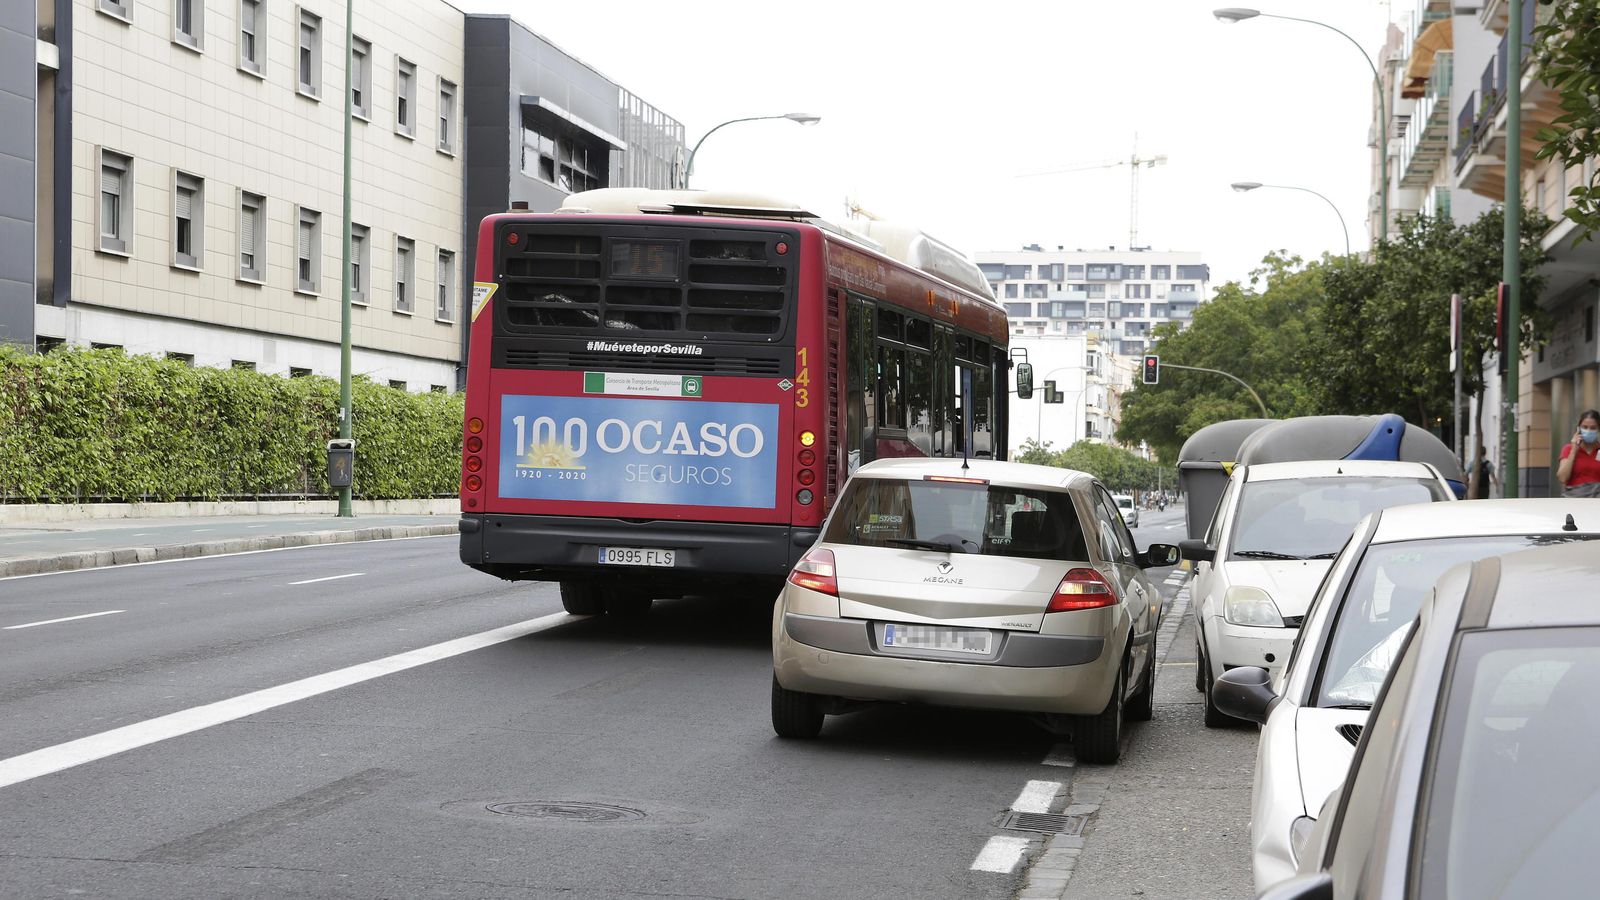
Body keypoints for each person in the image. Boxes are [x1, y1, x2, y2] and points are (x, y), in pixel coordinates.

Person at [1556, 409, 1600, 498]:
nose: (1588, 430)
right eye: (1585, 427)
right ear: (1578, 429)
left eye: (1593, 428)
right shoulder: (1568, 449)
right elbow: (1562, 477)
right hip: (1573, 500)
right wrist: (1573, 451)